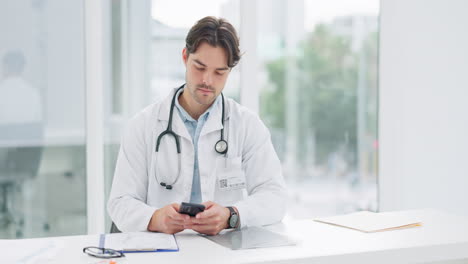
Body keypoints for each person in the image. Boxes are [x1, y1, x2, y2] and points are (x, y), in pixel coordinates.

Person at [108, 16, 287, 236]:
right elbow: (120, 202)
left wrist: (232, 215)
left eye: (219, 72)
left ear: (230, 71)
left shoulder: (247, 125)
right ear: (185, 57)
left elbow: (274, 197)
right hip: (163, 251)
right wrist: (154, 218)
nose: (207, 81)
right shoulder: (143, 125)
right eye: (200, 67)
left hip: (223, 253)